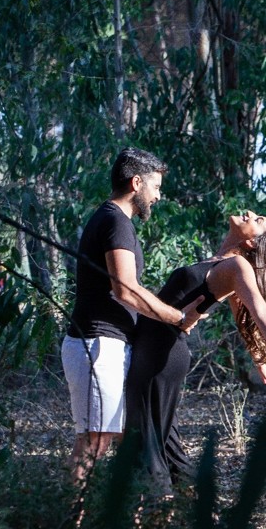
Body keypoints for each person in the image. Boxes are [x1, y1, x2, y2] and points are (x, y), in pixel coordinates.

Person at [125, 209, 266, 493]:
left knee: (148, 440)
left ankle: (157, 512)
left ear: (252, 243)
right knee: (166, 443)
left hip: (160, 355)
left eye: (259, 220)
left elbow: (259, 309)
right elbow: (240, 311)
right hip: (157, 351)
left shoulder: (239, 266)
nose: (251, 213)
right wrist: (259, 358)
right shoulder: (224, 263)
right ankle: (202, 511)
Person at [62, 148, 207, 484]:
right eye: (155, 186)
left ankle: (120, 522)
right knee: (94, 443)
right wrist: (175, 317)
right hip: (96, 347)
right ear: (136, 182)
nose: (158, 195)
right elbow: (125, 289)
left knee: (119, 438)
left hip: (108, 346)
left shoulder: (113, 220)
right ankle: (69, 528)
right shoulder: (115, 221)